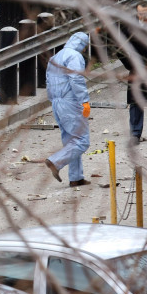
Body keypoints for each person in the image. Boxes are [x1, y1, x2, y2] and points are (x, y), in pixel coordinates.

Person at [44, 32, 92, 187]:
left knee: (71, 141)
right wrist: (84, 100)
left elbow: (48, 81)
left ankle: (76, 178)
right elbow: (76, 79)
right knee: (82, 141)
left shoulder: (55, 57)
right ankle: (55, 162)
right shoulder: (74, 56)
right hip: (70, 101)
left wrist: (54, 101)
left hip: (57, 103)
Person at [117, 1, 147, 143]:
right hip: (137, 69)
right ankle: (135, 133)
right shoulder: (128, 28)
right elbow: (119, 50)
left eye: (144, 13)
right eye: (139, 13)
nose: (141, 16)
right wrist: (130, 64)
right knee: (136, 100)